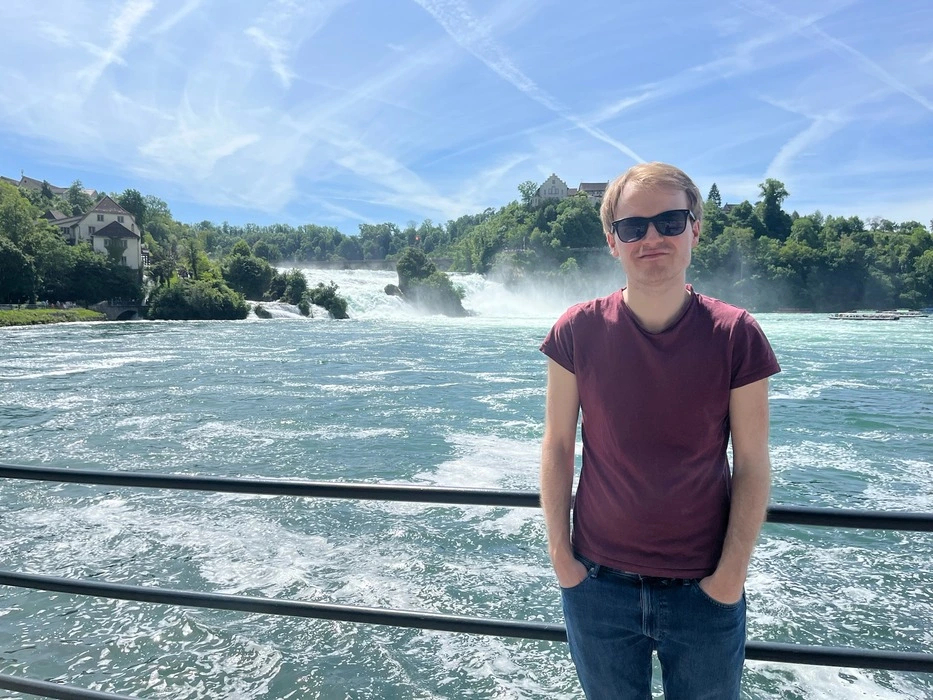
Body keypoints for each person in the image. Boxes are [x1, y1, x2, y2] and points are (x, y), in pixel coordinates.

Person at [539, 162, 780, 699]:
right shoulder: (575, 330)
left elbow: (754, 462)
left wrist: (729, 579)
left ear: (695, 228)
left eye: (670, 221)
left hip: (704, 590)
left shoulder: (736, 334)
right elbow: (557, 446)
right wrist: (562, 559)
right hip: (597, 585)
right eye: (633, 227)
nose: (652, 237)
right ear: (612, 241)